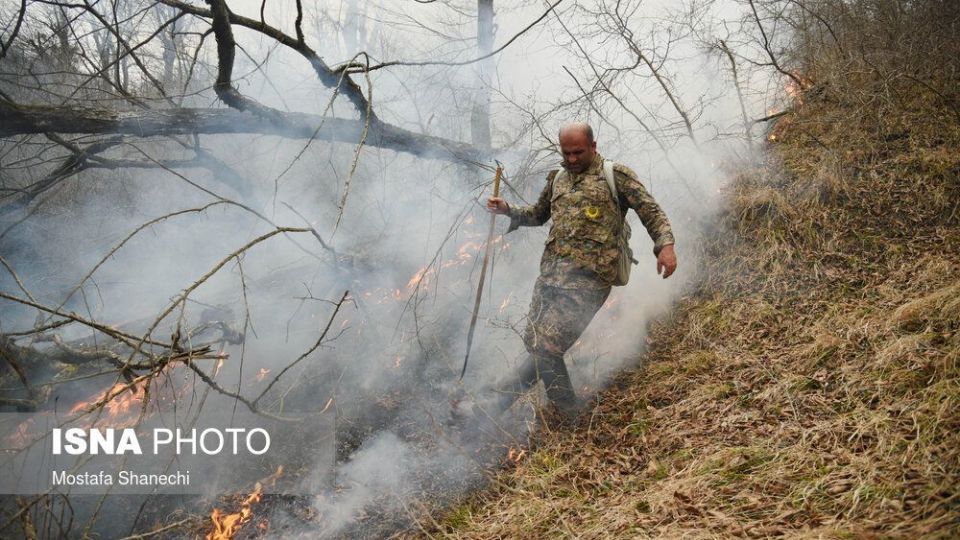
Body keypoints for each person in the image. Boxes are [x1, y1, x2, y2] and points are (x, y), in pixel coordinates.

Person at [482, 122, 677, 421]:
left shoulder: (615, 176)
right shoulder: (557, 178)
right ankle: (494, 407)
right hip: (550, 278)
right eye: (566, 152)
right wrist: (508, 209)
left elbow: (651, 210)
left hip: (590, 282)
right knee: (537, 346)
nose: (572, 159)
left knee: (548, 347)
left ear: (593, 146)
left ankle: (569, 418)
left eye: (578, 152)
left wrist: (664, 245)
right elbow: (537, 214)